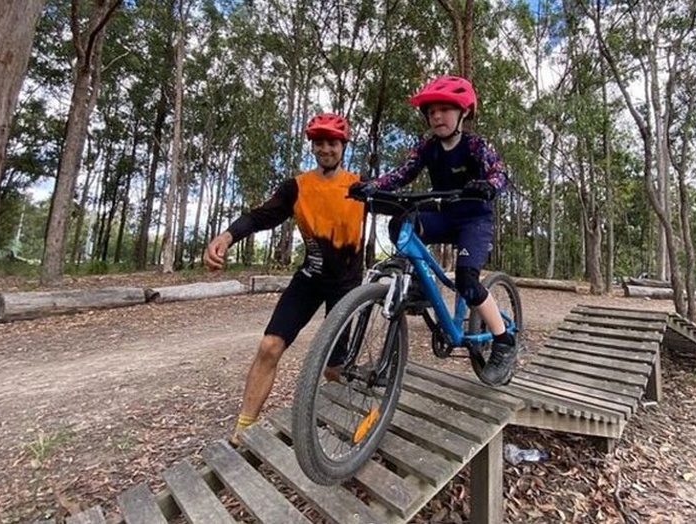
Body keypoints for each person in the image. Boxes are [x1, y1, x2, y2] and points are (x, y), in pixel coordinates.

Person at [204, 113, 365, 445]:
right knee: (269, 346)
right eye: (319, 143)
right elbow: (262, 215)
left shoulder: (359, 185)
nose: (325, 149)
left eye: (332, 142)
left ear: (343, 146)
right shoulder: (297, 187)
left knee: (335, 367)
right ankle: (244, 428)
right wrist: (227, 236)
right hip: (310, 278)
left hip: (347, 285)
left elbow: (397, 207)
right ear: (312, 146)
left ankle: (337, 428)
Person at [349, 75, 517, 386]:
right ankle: (415, 285)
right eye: (431, 111)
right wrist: (370, 187)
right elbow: (402, 174)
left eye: (444, 109)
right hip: (443, 213)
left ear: (462, 112)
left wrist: (489, 186)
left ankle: (504, 342)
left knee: (467, 281)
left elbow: (499, 171)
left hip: (473, 220)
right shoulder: (427, 147)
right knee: (402, 222)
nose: (437, 116)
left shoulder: (475, 145)